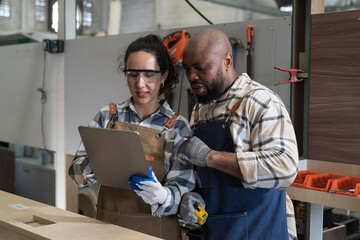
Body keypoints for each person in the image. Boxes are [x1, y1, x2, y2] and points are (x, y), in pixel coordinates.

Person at [68, 34, 195, 240]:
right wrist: (96, 161)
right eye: (133, 74)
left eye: (149, 75)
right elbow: (76, 176)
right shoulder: (107, 117)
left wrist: (164, 196)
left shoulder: (178, 127)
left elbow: (184, 190)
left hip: (158, 231)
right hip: (108, 228)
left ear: (163, 76)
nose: (140, 84)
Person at [177, 28, 299, 240]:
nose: (192, 77)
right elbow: (207, 178)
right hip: (218, 230)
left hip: (260, 229)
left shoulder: (259, 102)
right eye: (187, 69)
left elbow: (285, 167)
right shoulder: (200, 110)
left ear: (227, 61)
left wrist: (210, 157)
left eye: (201, 68)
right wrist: (193, 193)